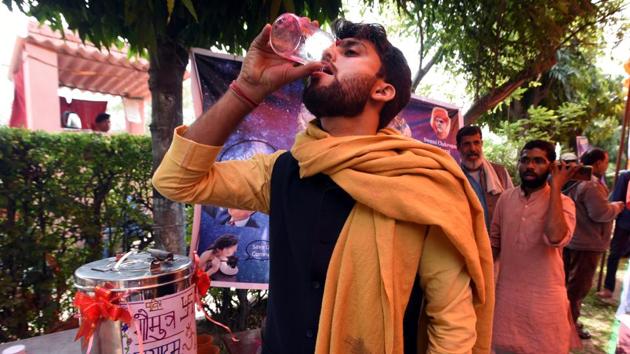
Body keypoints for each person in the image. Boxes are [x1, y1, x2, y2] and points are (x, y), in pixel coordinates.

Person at [153, 19, 494, 353]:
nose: (330, 52)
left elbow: (452, 322)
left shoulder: (422, 184)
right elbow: (176, 180)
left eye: (350, 51)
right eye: (332, 46)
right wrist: (248, 90)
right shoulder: (284, 169)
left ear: (382, 90)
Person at [491, 140, 580, 353]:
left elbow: (555, 236)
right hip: (507, 301)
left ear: (551, 166)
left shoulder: (564, 203)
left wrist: (556, 187)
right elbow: (494, 242)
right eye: (525, 160)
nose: (530, 166)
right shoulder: (505, 198)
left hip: (545, 304)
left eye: (538, 161)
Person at [563, 148, 624, 339]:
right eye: (605, 162)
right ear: (597, 163)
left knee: (573, 287)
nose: (607, 165)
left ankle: (568, 323)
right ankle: (569, 327)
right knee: (577, 289)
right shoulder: (590, 185)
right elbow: (599, 213)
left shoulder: (585, 183)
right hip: (586, 244)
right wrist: (617, 207)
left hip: (581, 242)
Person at [456, 126, 513, 229]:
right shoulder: (454, 175)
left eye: (476, 143)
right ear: (458, 148)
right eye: (466, 144)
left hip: (496, 239)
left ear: (481, 144)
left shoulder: (500, 173)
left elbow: (513, 205)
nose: (473, 149)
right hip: (467, 237)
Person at [598, 170, 630, 301]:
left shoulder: (625, 176)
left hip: (624, 222)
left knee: (615, 254)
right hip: (624, 222)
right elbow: (617, 199)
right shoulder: (626, 176)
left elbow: (616, 198)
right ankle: (608, 288)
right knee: (614, 254)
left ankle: (611, 289)